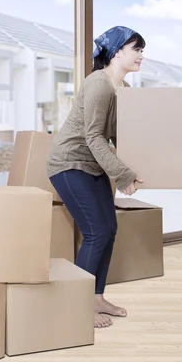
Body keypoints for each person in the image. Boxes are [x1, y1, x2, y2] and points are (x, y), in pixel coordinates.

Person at [46, 26, 145, 329]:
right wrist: (123, 173)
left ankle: (97, 297)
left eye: (141, 49)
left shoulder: (122, 89)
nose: (141, 55)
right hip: (69, 163)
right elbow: (93, 137)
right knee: (96, 232)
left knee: (109, 228)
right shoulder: (99, 85)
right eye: (136, 49)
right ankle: (79, 306)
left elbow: (117, 135)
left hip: (92, 165)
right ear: (116, 52)